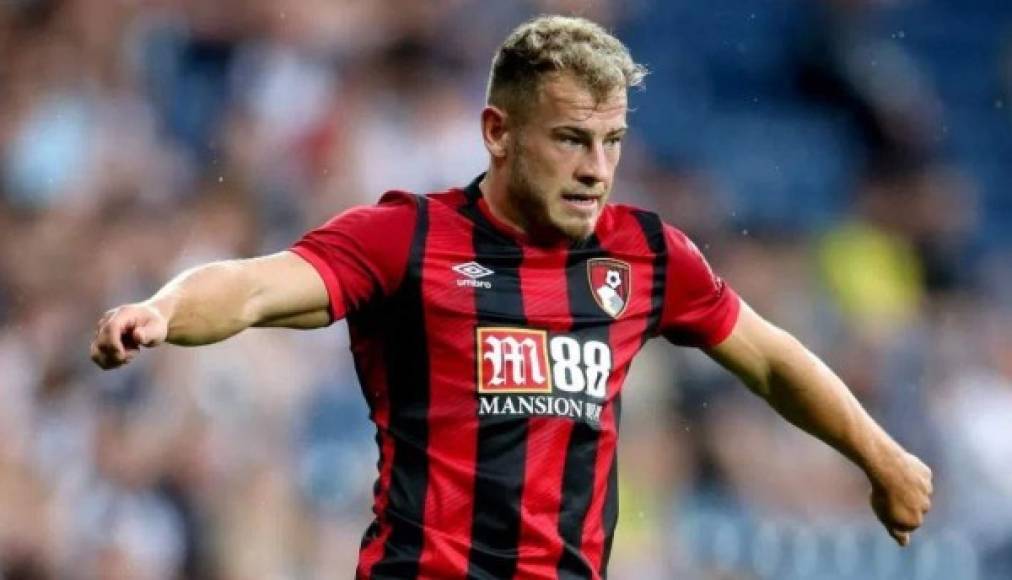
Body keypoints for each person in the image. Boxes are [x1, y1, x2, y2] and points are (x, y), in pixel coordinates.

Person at [90, 15, 933, 580]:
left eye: (611, 141)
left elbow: (772, 358)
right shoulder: (407, 239)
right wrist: (162, 312)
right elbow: (254, 286)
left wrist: (881, 456)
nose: (596, 168)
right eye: (569, 139)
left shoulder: (646, 253)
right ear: (499, 132)